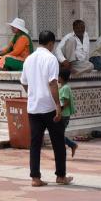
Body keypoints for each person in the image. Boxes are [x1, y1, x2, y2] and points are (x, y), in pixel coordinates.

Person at [20, 30, 71, 186]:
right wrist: (57, 105)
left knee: (35, 143)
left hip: (33, 107)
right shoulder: (51, 59)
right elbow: (52, 83)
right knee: (58, 142)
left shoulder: (29, 59)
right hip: (48, 106)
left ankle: (35, 177)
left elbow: (23, 81)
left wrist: (32, 94)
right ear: (51, 43)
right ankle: (60, 176)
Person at [58, 67, 79, 158]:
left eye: (58, 76)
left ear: (61, 77)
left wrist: (59, 110)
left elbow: (66, 102)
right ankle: (71, 145)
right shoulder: (61, 87)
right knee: (58, 134)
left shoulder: (65, 88)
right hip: (61, 114)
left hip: (64, 115)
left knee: (58, 134)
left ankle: (70, 146)